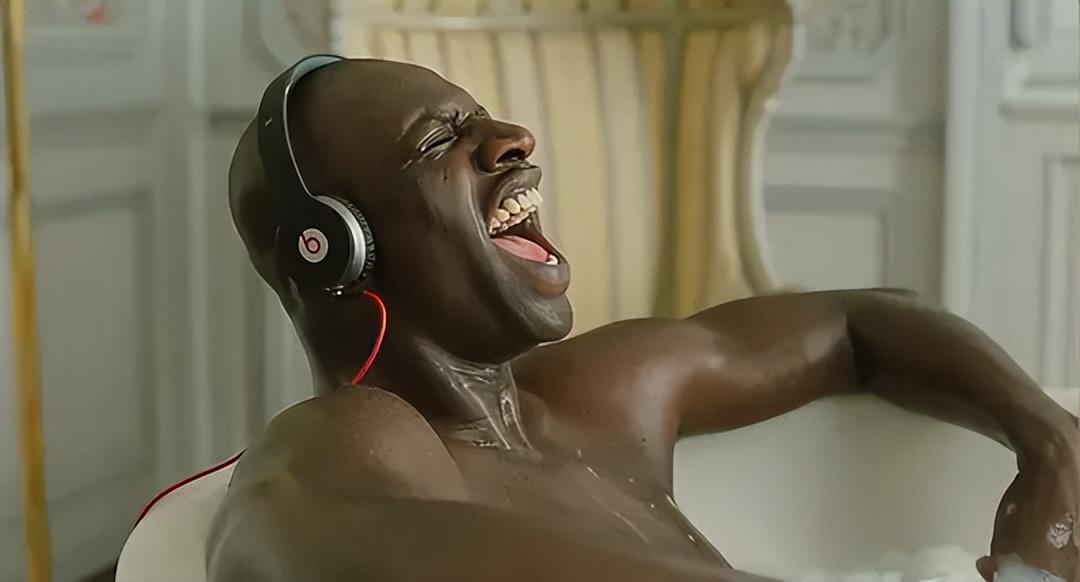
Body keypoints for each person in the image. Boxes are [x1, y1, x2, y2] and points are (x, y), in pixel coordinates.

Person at [210, 56, 1079, 582]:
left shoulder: (591, 398)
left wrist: (1052, 444)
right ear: (337, 249)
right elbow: (292, 534)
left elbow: (862, 324)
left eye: (482, 118)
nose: (515, 138)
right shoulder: (354, 440)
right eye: (439, 141)